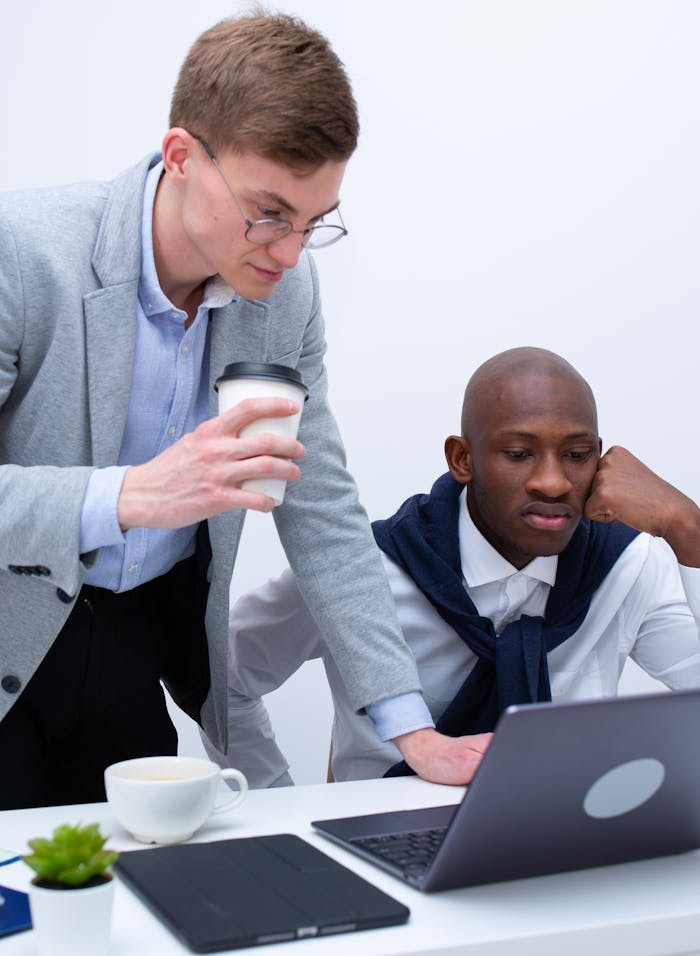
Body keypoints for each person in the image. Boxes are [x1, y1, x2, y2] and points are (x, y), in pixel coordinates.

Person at [0, 11, 475, 808]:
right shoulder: (23, 251)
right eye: (268, 212)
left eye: (313, 223)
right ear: (181, 155)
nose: (288, 253)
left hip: (130, 647)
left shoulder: (285, 294)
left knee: (128, 909)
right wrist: (125, 496)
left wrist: (411, 727)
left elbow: (320, 506)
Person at [204, 347, 700, 786]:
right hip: (381, 838)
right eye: (518, 454)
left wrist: (689, 532)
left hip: (565, 838)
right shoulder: (365, 568)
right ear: (462, 459)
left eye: (576, 455)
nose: (553, 482)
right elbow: (221, 678)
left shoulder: (630, 564)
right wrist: (276, 808)